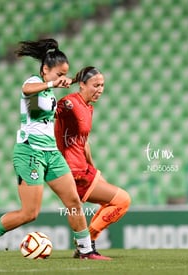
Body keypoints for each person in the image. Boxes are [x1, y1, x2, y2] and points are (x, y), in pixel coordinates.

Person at [0, 39, 110, 260]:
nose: (60, 77)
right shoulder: (35, 83)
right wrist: (53, 84)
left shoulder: (48, 92)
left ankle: (85, 250)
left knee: (73, 201)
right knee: (29, 213)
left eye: (64, 73)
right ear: (45, 69)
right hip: (30, 153)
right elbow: (26, 90)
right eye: (58, 73)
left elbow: (41, 112)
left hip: (51, 153)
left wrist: (74, 81)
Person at [55, 66, 131, 257]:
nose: (100, 89)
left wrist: (94, 169)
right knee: (123, 201)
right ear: (82, 84)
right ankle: (86, 244)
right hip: (73, 171)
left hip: (84, 168)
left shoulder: (88, 107)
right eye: (95, 85)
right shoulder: (69, 104)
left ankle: (85, 245)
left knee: (112, 203)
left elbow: (83, 142)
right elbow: (49, 111)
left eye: (102, 85)